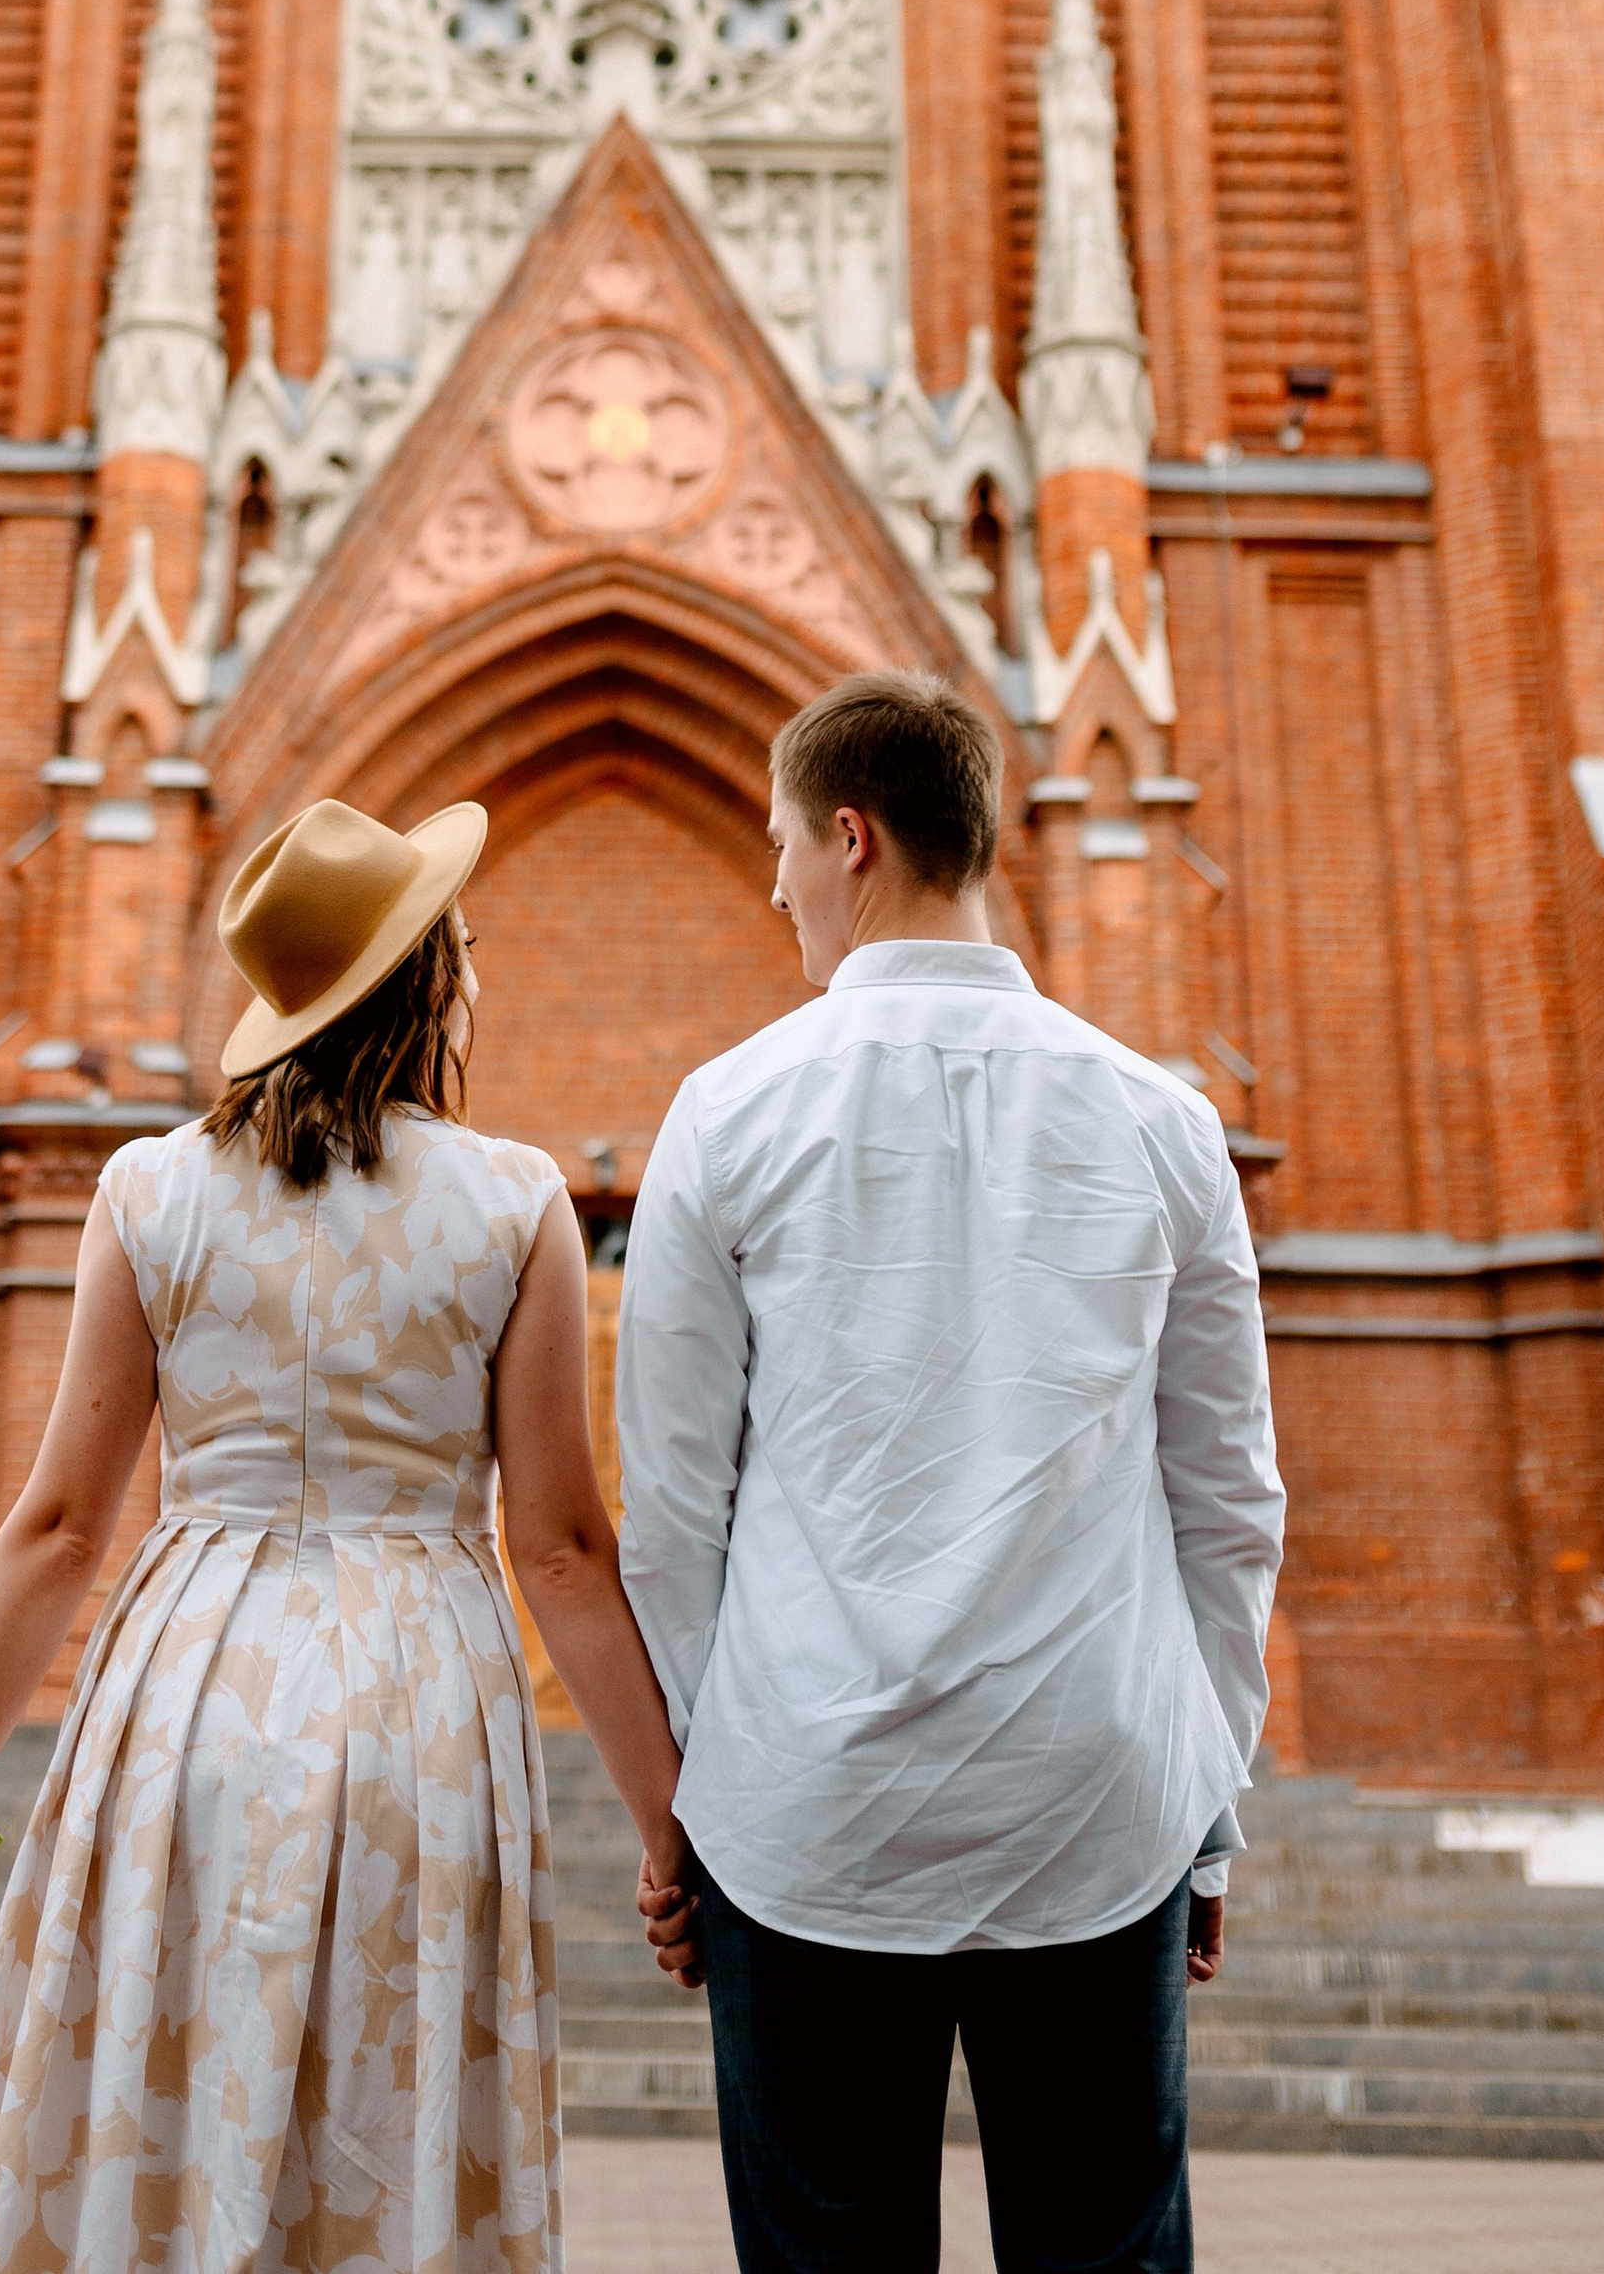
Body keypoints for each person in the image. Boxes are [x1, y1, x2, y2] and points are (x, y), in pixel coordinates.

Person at [0, 795, 688, 2274]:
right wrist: (671, 1826)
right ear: (428, 978)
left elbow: (57, 1527)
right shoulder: (514, 1206)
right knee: (386, 2119)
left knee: (169, 2117)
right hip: (421, 1704)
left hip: (185, 1699)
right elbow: (560, 1547)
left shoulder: (150, 1191)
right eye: (463, 942)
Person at [616, 671, 1284, 2274]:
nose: (774, 884)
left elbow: (672, 1518)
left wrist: (699, 1796)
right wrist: (1203, 1799)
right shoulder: (1165, 1122)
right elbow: (1230, 1501)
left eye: (780, 845)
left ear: (851, 838)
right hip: (1094, 1794)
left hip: (809, 1808)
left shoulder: (726, 1113)